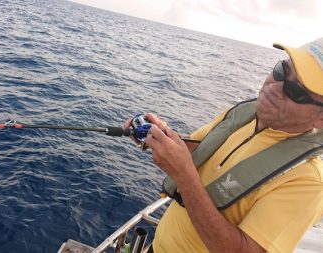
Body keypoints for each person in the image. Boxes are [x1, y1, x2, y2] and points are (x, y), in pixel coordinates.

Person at [125, 38, 323, 253]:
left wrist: (183, 174)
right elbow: (198, 151)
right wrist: (158, 136)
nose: (275, 87)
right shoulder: (244, 116)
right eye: (281, 70)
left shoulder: (309, 181)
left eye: (296, 91)